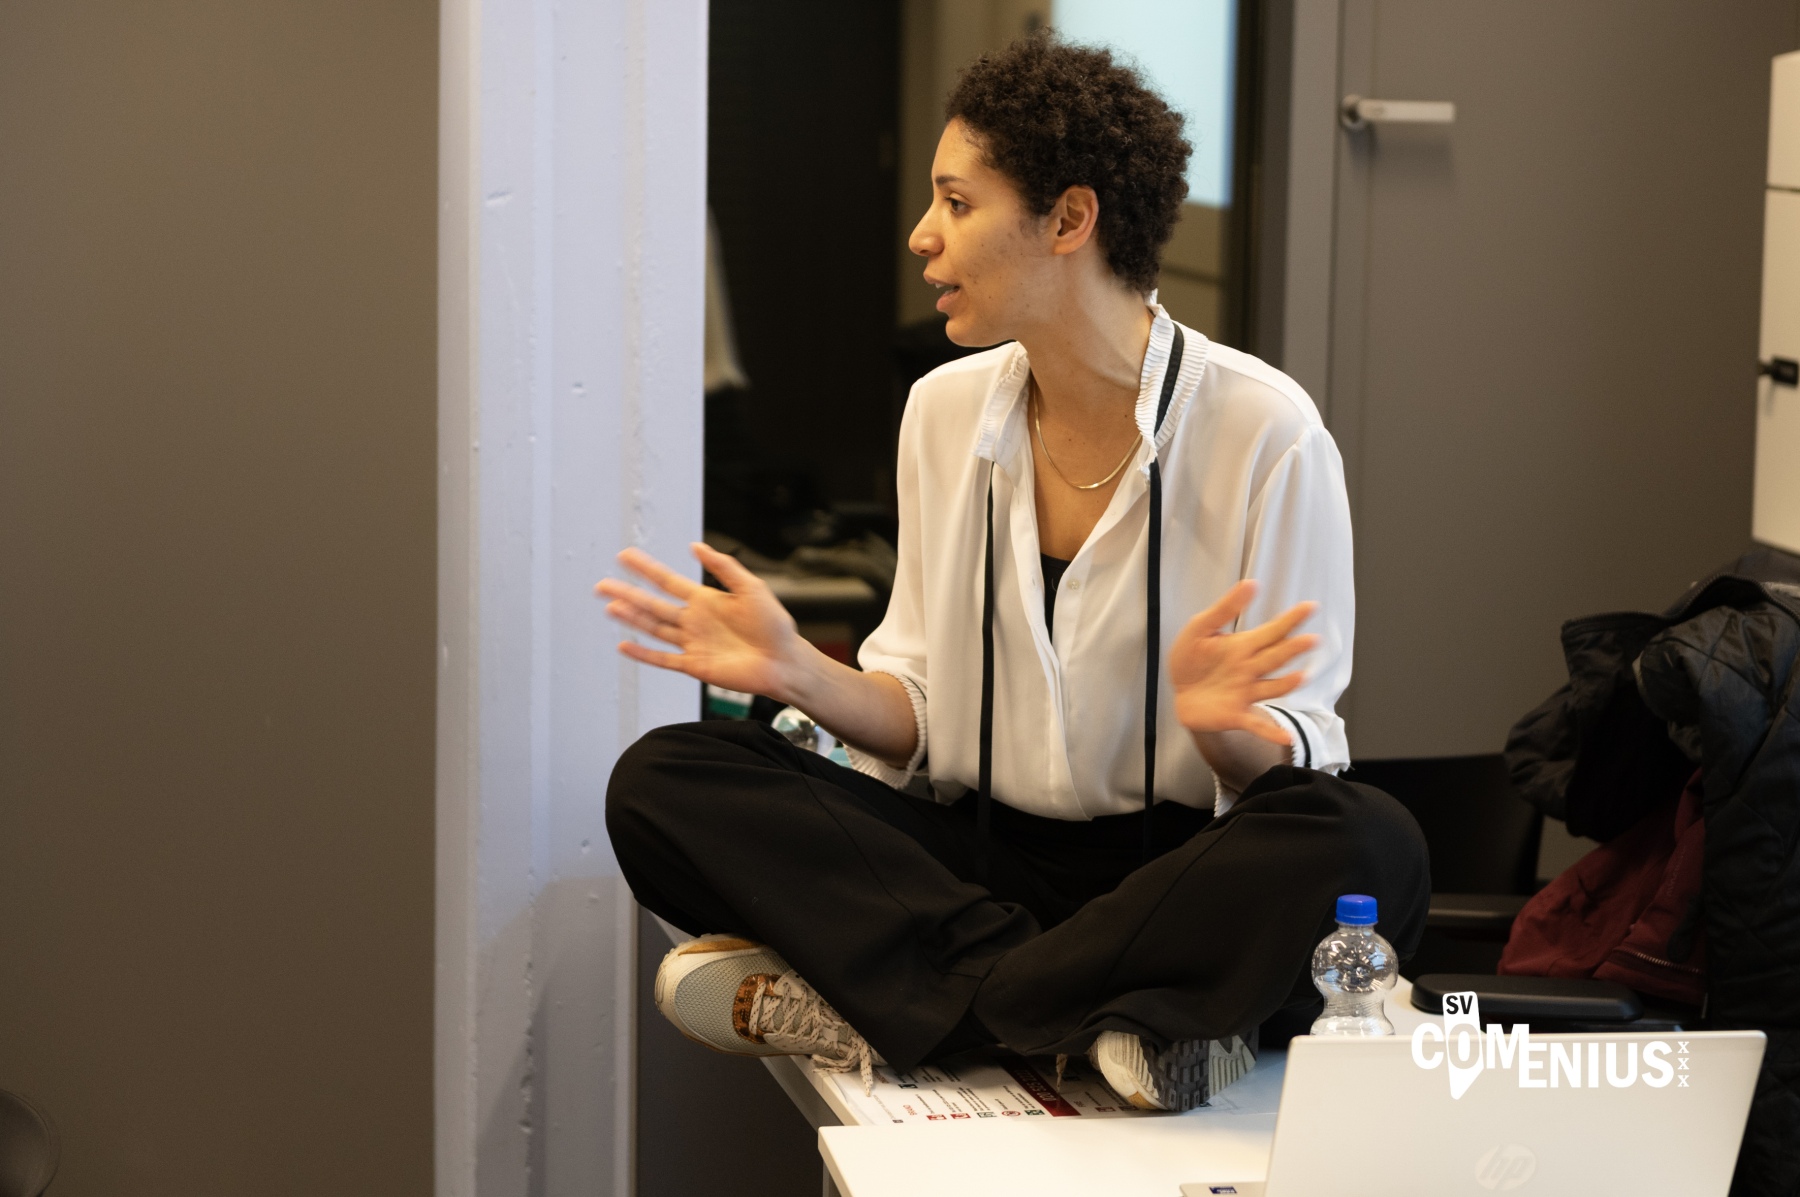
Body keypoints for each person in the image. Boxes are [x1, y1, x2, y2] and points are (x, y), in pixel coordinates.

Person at [601, 34, 1429, 1111]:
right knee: (666, 778)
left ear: (1070, 220)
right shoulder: (943, 411)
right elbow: (921, 710)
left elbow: (1294, 763)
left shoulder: (1267, 432)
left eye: (957, 202)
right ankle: (1124, 1012)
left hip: (1179, 873)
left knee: (1370, 841)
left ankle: (928, 1000)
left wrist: (1224, 728)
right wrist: (800, 672)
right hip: (977, 869)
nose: (923, 233)